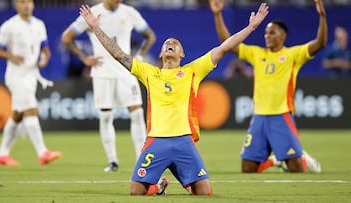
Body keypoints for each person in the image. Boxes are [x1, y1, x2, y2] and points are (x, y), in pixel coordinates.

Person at [79, 2, 269, 195]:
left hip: (183, 141)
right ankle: (159, 185)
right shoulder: (149, 72)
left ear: (182, 54)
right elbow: (118, 54)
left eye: (175, 43)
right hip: (156, 141)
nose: (170, 44)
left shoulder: (193, 71)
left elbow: (225, 47)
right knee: (135, 191)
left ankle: (185, 179)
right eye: (167, 43)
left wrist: (251, 27)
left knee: (204, 192)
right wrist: (96, 28)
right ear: (161, 54)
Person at [209, 0, 327, 173]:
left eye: (272, 32)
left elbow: (320, 43)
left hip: (281, 115)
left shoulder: (293, 55)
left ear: (282, 36)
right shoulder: (257, 54)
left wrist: (322, 16)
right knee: (247, 169)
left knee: (296, 169)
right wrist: (218, 14)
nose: (267, 36)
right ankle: (274, 160)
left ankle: (301, 158)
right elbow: (227, 43)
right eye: (266, 33)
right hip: (259, 117)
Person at [61, 0, 156, 173]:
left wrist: (140, 57)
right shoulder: (93, 13)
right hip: (102, 73)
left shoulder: (130, 12)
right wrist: (84, 58)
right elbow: (66, 37)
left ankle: (141, 158)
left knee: (136, 114)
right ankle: (113, 161)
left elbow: (150, 35)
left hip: (126, 72)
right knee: (105, 116)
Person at [0, 0, 62, 166]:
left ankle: (2, 155)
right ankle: (42, 152)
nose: (26, 5)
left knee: (17, 114)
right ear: (17, 6)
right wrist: (12, 57)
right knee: (31, 109)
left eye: (29, 2)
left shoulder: (39, 25)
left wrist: (45, 58)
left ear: (33, 5)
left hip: (31, 75)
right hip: (16, 76)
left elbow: (45, 48)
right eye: (22, 2)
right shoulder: (10, 26)